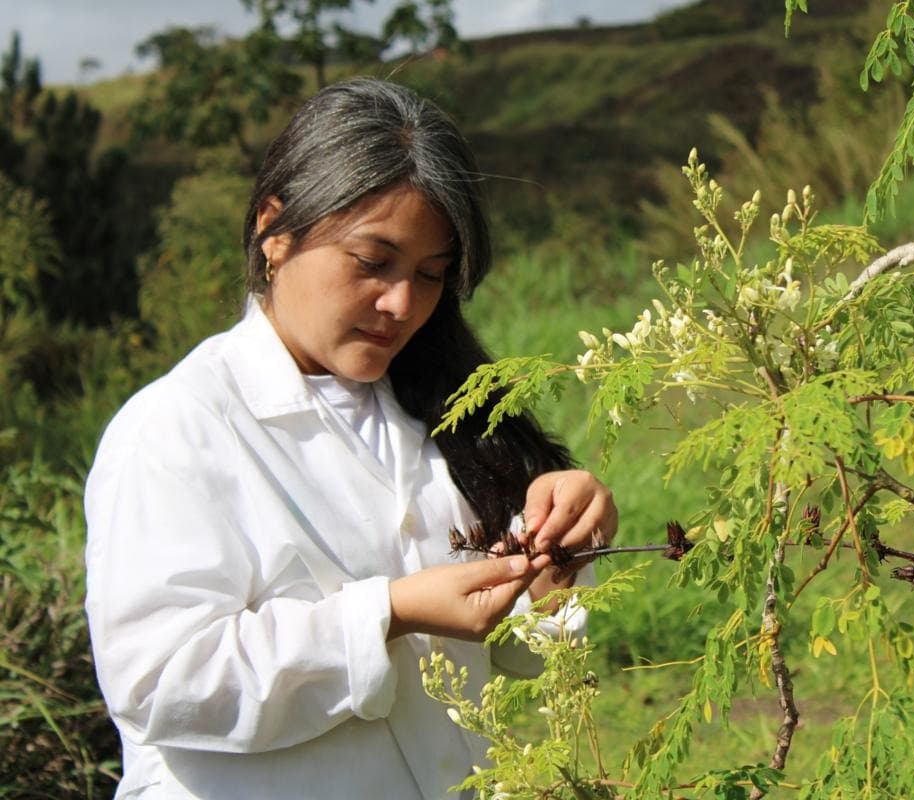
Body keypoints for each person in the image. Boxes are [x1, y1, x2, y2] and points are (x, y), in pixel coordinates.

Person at [84, 77, 618, 799]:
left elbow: (518, 656)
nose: (401, 305)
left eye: (430, 276)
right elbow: (161, 681)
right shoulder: (177, 429)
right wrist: (389, 612)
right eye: (372, 262)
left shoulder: (440, 412)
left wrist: (554, 561)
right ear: (275, 233)